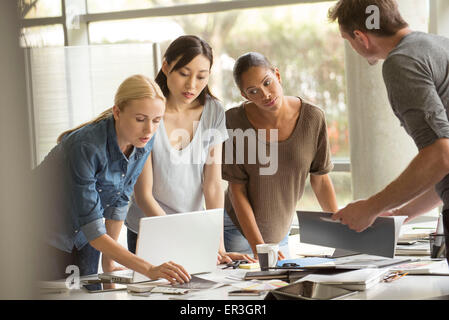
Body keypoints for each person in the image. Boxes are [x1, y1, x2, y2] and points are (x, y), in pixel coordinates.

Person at [36, 74, 191, 284]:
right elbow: (93, 229)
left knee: (87, 295)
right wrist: (150, 269)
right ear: (117, 112)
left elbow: (119, 201)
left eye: (157, 120)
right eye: (140, 119)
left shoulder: (143, 139)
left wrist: (108, 263)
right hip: (42, 233)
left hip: (84, 238)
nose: (149, 129)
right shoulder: (85, 146)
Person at [328, 0, 449, 263]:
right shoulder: (441, 45)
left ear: (360, 37)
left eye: (347, 39)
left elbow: (440, 156)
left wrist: (370, 208)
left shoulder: (401, 62)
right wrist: (401, 213)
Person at [125, 36, 255, 264]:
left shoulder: (213, 112)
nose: (192, 85)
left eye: (201, 76)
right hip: (149, 228)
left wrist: (219, 246)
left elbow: (213, 184)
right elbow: (143, 195)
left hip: (191, 229)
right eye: (184, 74)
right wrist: (182, 239)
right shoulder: (149, 113)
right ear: (166, 67)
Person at [222, 52, 339, 259]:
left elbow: (320, 181)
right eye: (253, 91)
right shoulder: (234, 121)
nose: (265, 94)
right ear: (244, 95)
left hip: (280, 234)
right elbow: (236, 189)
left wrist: (341, 231)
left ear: (277, 74)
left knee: (278, 291)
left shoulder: (313, 118)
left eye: (267, 83)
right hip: (238, 233)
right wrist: (259, 246)